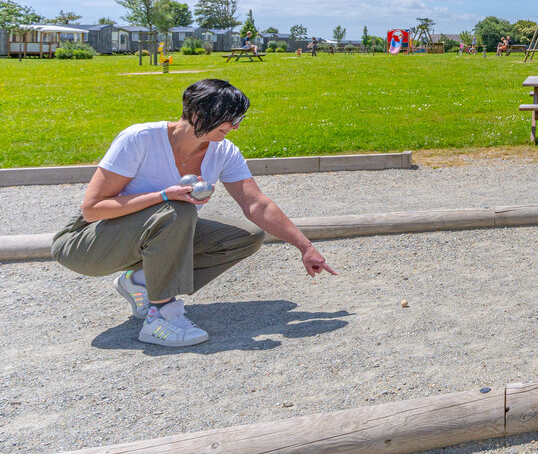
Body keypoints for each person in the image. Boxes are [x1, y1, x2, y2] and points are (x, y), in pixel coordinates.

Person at [51, 79, 337, 348]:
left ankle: (141, 282)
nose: (235, 127)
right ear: (199, 115)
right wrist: (163, 195)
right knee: (178, 210)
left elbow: (256, 204)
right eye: (230, 119)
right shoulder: (139, 139)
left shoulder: (223, 151)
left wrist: (305, 246)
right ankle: (160, 319)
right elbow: (91, 210)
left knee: (247, 236)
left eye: (238, 120)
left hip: (146, 236)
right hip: (84, 243)